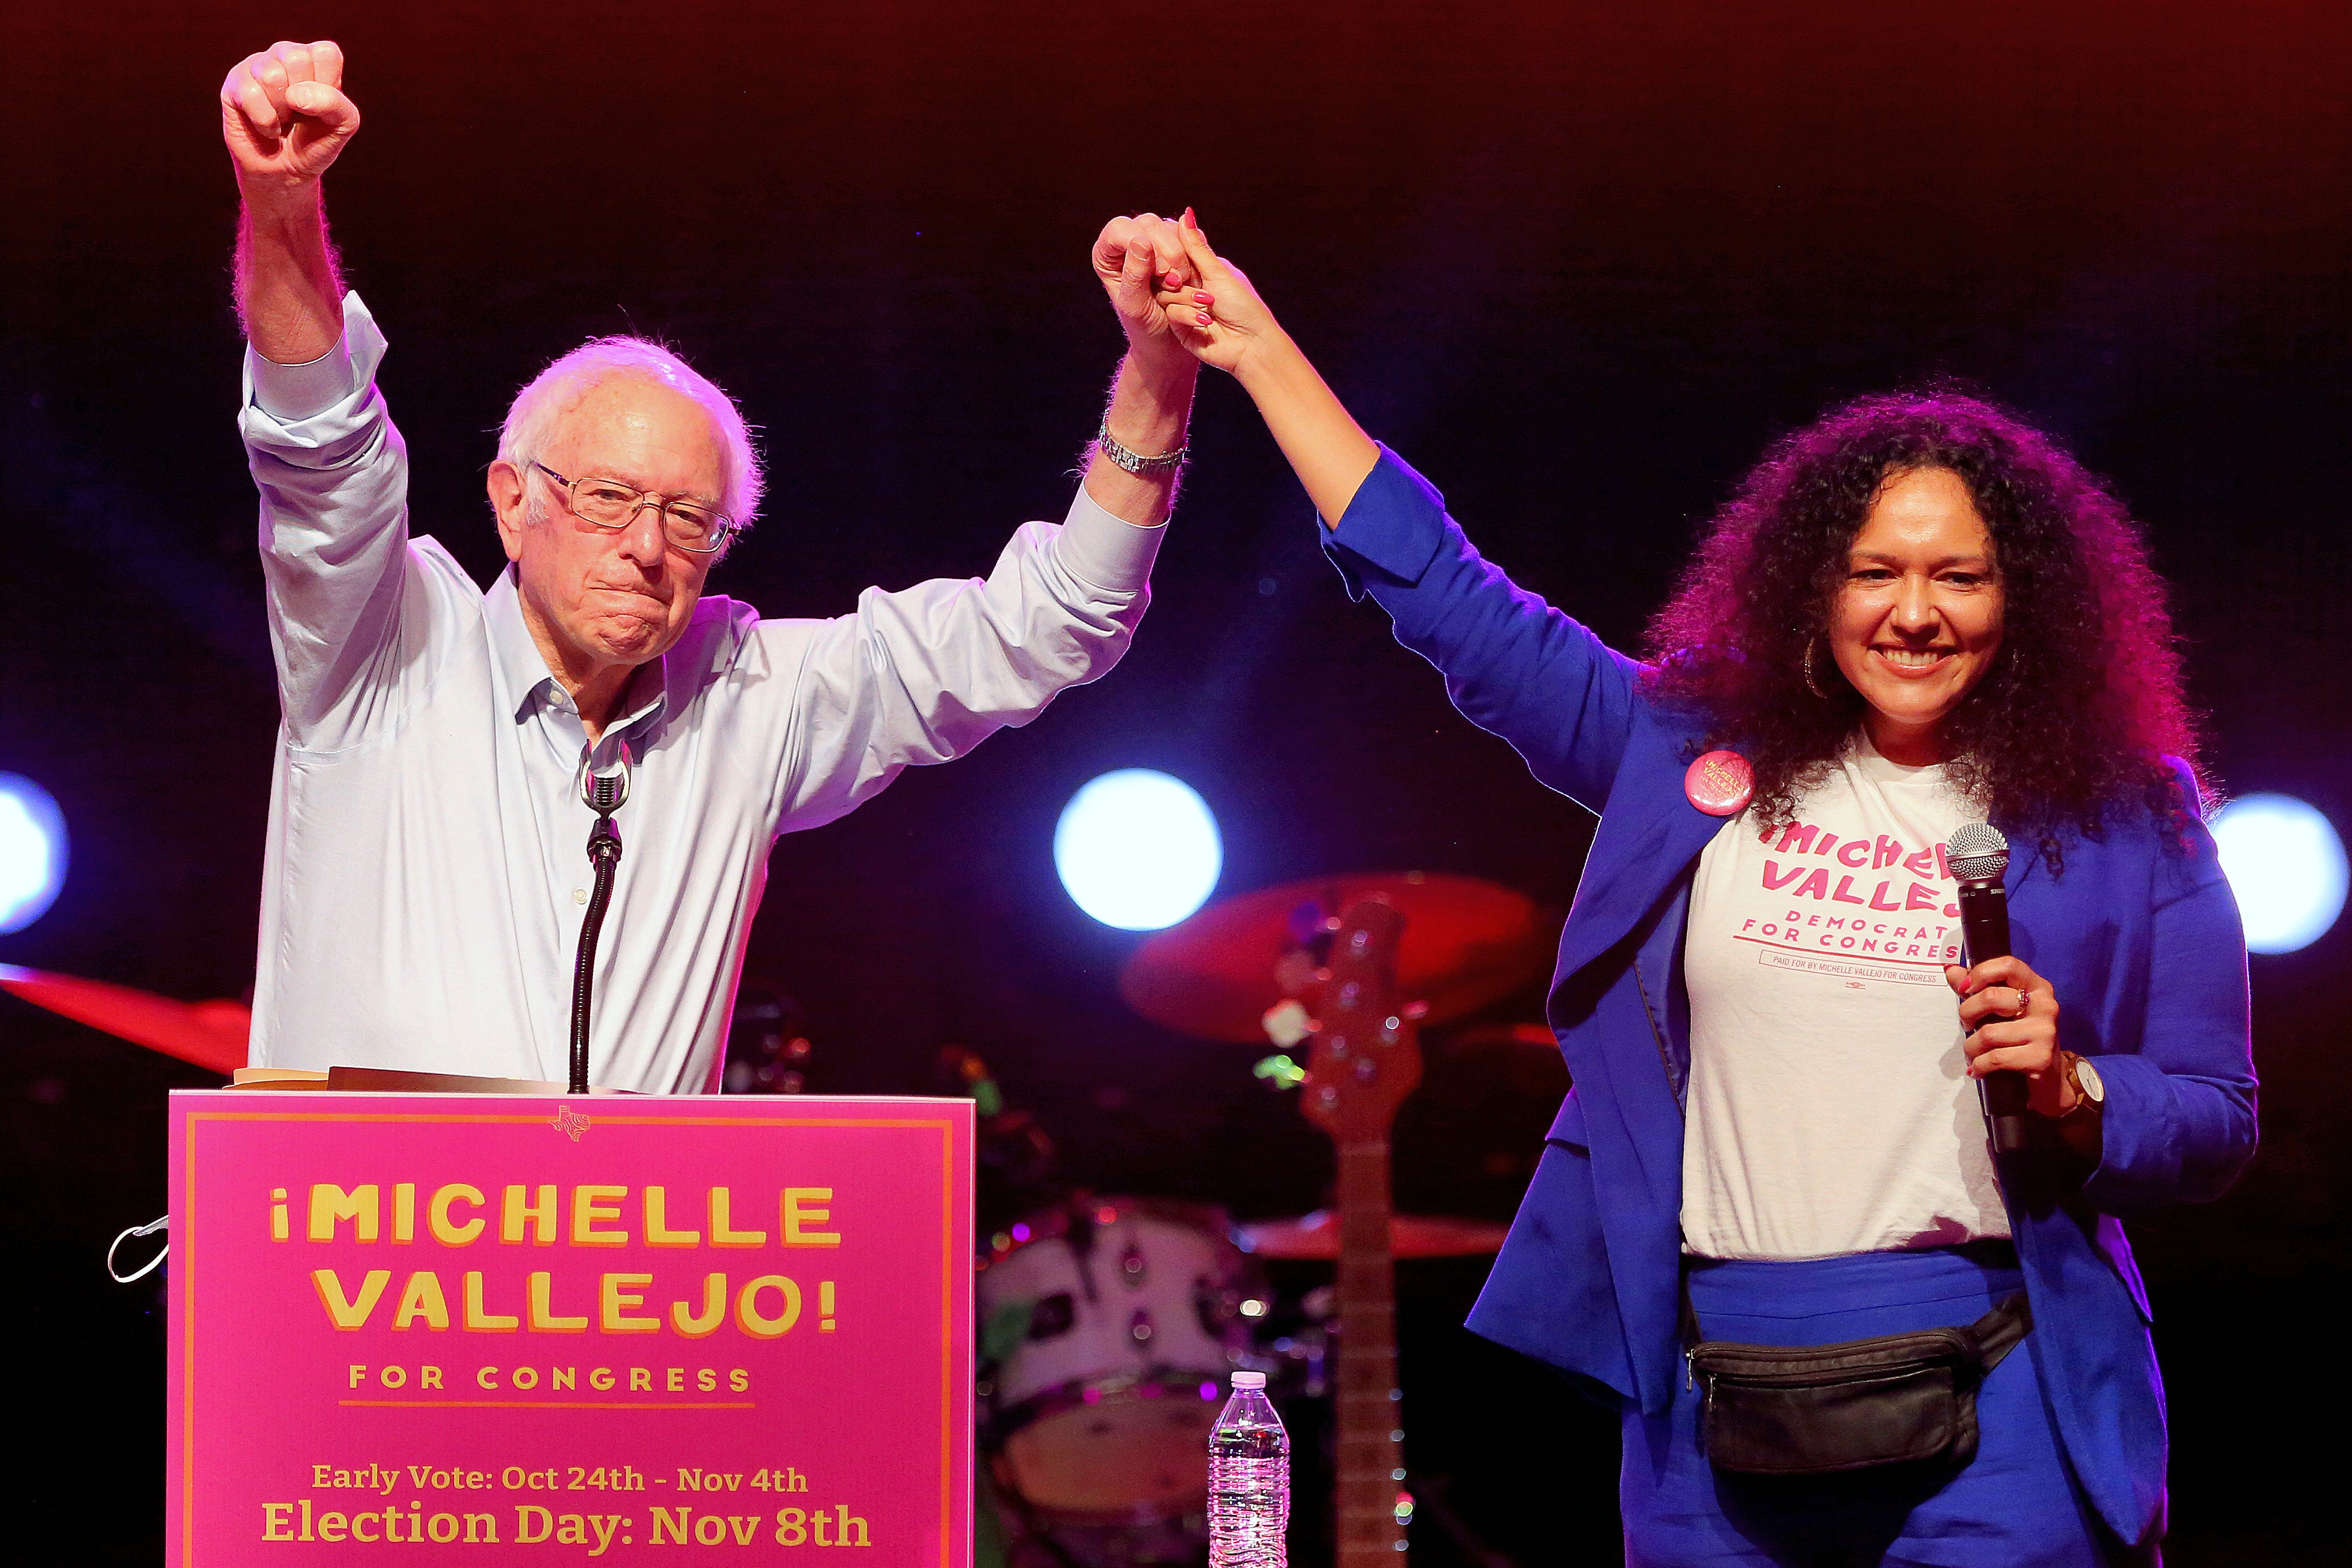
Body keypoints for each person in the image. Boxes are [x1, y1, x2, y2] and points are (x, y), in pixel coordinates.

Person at [1154, 213, 2255, 1564]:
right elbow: (1451, 598)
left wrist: (2075, 1089)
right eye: (1875, 572)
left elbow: (2214, 1116)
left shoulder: (2130, 818)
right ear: (1812, 591)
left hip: (2007, 1379)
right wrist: (1258, 353)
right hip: (1717, 1393)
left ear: (2022, 602)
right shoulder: (1682, 756)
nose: (1915, 612)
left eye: (1958, 577)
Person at [219, 40, 1204, 1090]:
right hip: (353, 1248)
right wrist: (280, 205)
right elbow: (320, 443)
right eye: (607, 498)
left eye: (690, 519)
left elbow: (1054, 620)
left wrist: (1157, 372)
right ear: (512, 503)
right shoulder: (383, 647)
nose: (647, 548)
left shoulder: (749, 700)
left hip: (632, 1254)